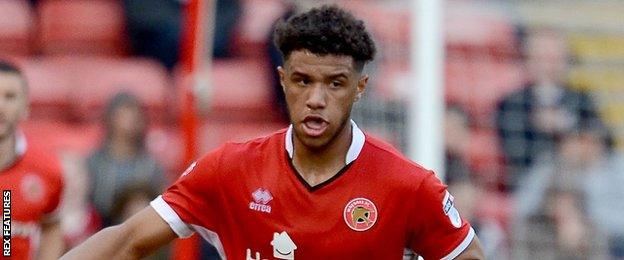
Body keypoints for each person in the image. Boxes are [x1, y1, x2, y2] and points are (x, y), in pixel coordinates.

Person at [62, 5, 484, 259]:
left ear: (359, 88)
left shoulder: (408, 186)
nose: (316, 98)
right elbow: (126, 241)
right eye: (302, 81)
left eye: (334, 84)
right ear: (282, 81)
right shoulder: (230, 169)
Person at [495, 28, 602, 190]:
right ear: (529, 60)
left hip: (584, 182)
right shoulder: (512, 103)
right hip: (534, 186)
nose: (550, 65)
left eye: (556, 58)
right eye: (542, 58)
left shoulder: (581, 99)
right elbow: (514, 151)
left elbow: (603, 140)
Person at [0, 60, 64, 259]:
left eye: (10, 96)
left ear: (25, 107)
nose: (0, 106)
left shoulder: (47, 169)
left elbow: (52, 226)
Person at [86, 92, 165, 228]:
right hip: (100, 230)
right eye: (124, 114)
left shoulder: (151, 166)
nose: (131, 119)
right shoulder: (93, 163)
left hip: (139, 231)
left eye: (135, 114)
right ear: (110, 118)